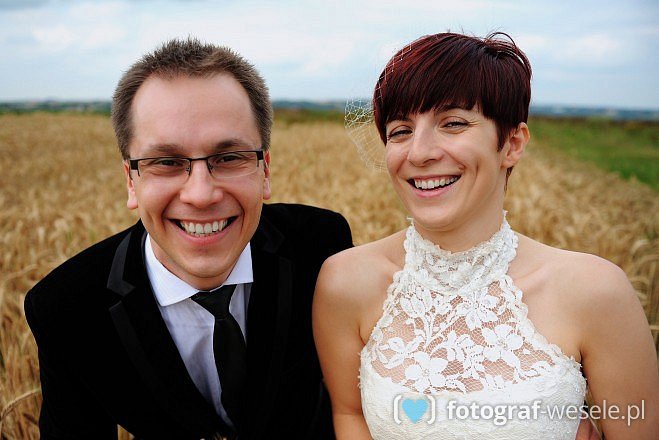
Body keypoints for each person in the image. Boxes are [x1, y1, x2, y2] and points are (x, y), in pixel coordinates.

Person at [313, 32, 658, 439]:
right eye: (401, 130)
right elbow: (350, 414)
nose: (419, 153)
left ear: (512, 144)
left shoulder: (597, 292)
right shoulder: (344, 282)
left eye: (453, 123)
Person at [24, 38, 352, 439]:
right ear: (130, 180)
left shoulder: (322, 245)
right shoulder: (67, 308)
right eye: (166, 162)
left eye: (228, 158)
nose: (200, 194)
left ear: (265, 171)